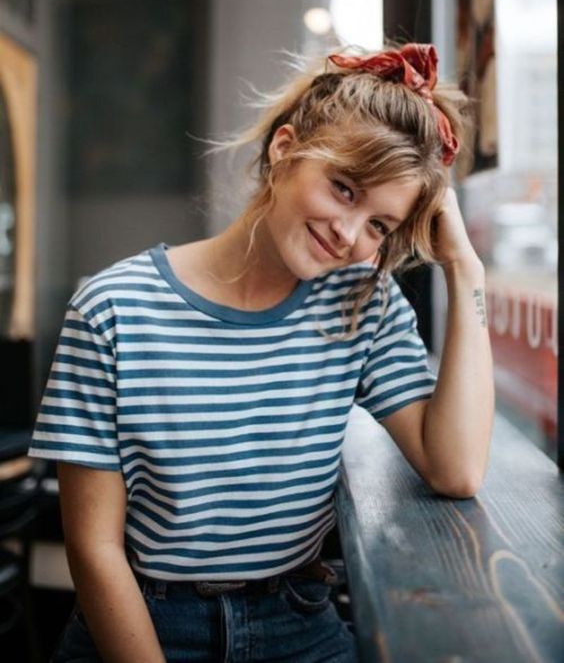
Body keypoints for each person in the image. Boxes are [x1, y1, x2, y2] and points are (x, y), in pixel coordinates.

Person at [28, 42, 494, 663]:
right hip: (142, 625)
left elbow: (455, 467)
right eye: (345, 189)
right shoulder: (112, 307)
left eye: (380, 225)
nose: (349, 236)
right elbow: (94, 548)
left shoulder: (362, 303)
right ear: (284, 150)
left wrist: (465, 268)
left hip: (298, 622)